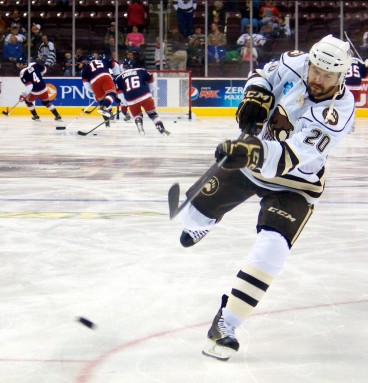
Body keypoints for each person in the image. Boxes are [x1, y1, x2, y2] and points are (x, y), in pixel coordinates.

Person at [176, 34, 354, 361]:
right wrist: (255, 94)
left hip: (295, 182)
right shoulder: (296, 61)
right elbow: (262, 75)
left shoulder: (339, 111)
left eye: (327, 76)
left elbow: (296, 155)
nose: (318, 79)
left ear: (341, 75)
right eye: (316, 70)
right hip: (251, 164)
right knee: (190, 216)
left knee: (274, 247)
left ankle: (226, 323)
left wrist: (251, 149)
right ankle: (204, 222)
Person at [114, 59, 170, 136]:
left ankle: (139, 125)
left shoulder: (118, 78)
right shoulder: (141, 70)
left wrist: (126, 103)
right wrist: (148, 92)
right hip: (145, 95)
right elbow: (152, 81)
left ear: (123, 67)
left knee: (137, 115)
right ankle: (161, 129)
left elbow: (120, 95)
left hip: (131, 99)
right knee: (153, 114)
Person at [81, 53, 120, 125]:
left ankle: (107, 122)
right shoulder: (103, 61)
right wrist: (116, 75)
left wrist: (94, 93)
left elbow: (86, 85)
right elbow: (114, 64)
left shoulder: (85, 69)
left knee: (102, 101)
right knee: (112, 94)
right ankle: (104, 108)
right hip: (105, 76)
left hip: (94, 82)